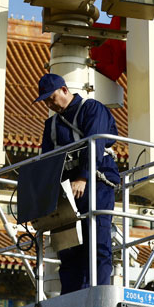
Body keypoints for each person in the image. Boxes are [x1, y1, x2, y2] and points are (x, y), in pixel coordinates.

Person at [34, 72, 120, 294]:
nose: (50, 104)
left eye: (52, 97)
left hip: (96, 182)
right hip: (66, 189)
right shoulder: (51, 124)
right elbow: (47, 160)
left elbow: (95, 143)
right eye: (46, 101)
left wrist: (83, 177)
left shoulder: (92, 108)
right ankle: (71, 296)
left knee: (97, 239)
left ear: (64, 90)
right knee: (68, 245)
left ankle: (98, 292)